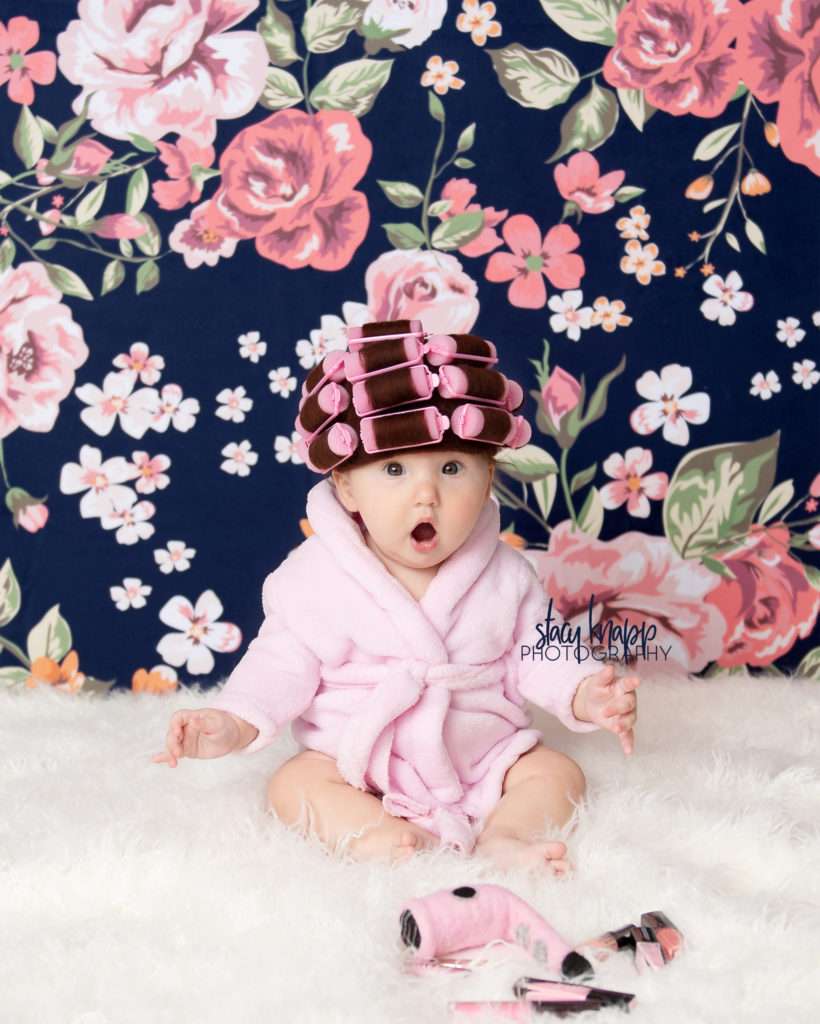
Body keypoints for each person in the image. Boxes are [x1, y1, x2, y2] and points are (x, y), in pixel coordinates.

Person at [152, 319, 639, 875]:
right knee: (293, 784)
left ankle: (505, 838)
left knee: (555, 772)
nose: (425, 493)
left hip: (481, 760)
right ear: (347, 487)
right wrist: (234, 720)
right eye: (394, 469)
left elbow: (542, 651)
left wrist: (585, 693)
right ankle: (377, 836)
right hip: (357, 762)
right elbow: (279, 664)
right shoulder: (314, 577)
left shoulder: (507, 575)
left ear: (488, 481)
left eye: (452, 469)